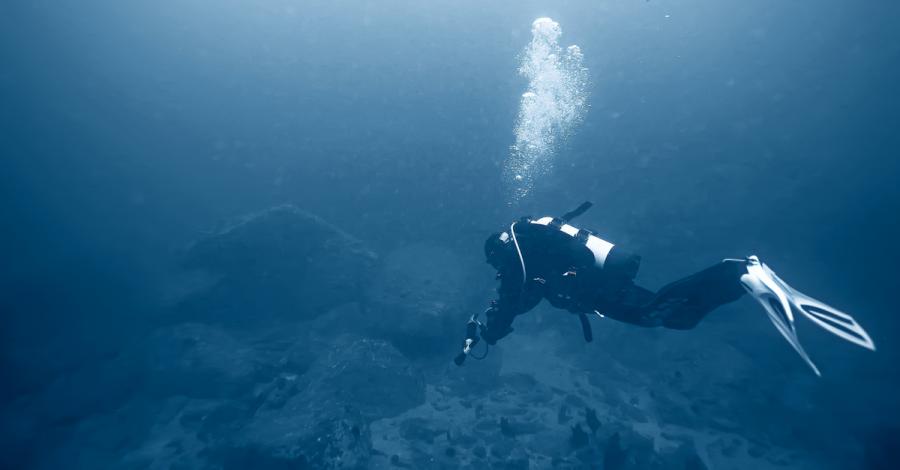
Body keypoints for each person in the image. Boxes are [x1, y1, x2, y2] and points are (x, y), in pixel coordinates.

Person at [454, 202, 875, 376]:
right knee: (672, 317)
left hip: (595, 285)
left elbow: (512, 300)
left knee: (655, 312)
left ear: (498, 252)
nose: (497, 270)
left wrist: (487, 332)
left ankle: (735, 271)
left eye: (494, 263)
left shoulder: (516, 255)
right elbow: (524, 299)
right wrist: (491, 324)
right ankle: (745, 281)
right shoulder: (540, 254)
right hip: (601, 279)